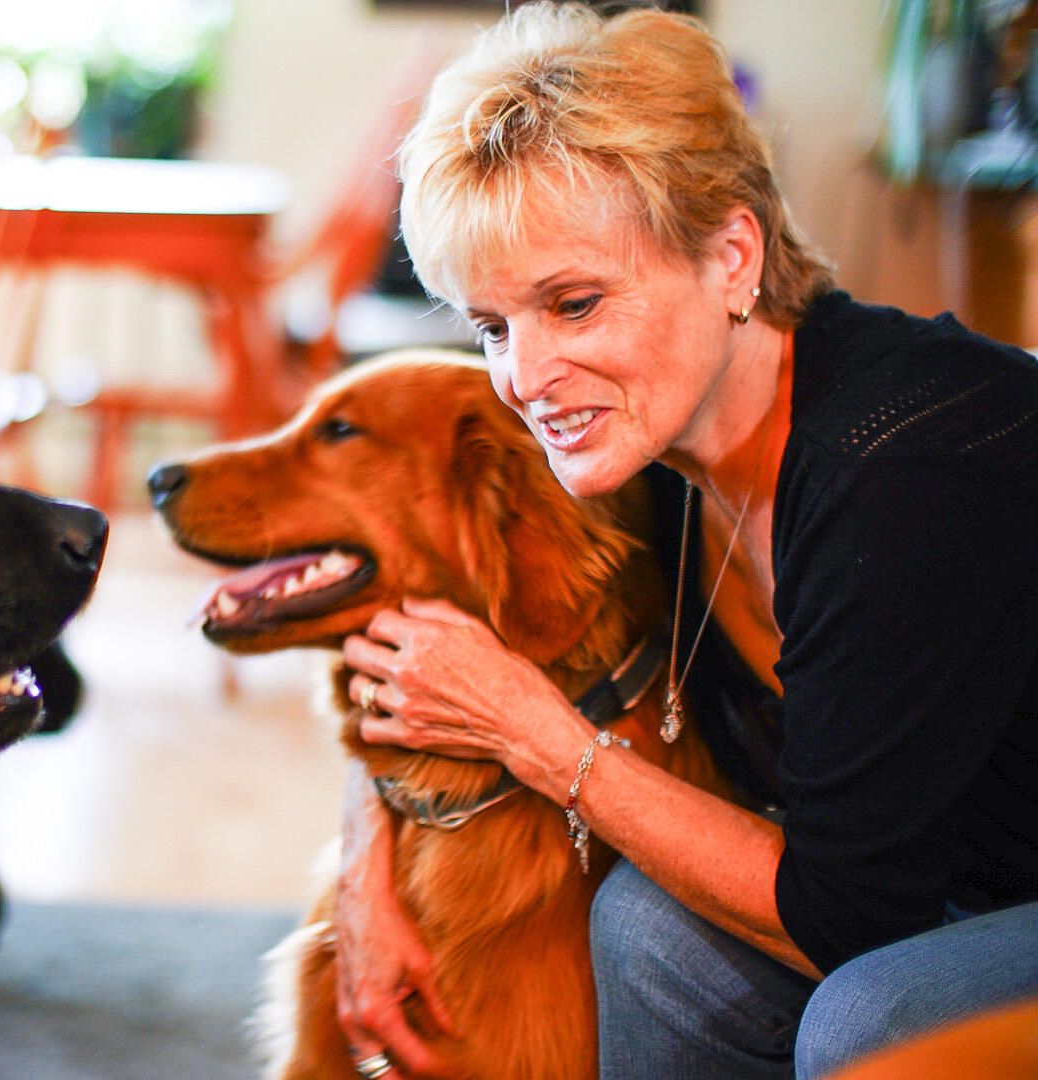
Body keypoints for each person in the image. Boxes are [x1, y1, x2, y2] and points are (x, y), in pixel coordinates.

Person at [331, 5, 1038, 1079]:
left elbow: (840, 915)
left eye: (572, 303)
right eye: (491, 327)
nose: (523, 378)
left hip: (984, 889)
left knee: (877, 1020)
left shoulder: (898, 471)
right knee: (650, 931)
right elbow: (426, 633)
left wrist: (543, 738)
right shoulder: (638, 428)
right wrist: (362, 876)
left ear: (731, 256)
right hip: (946, 869)